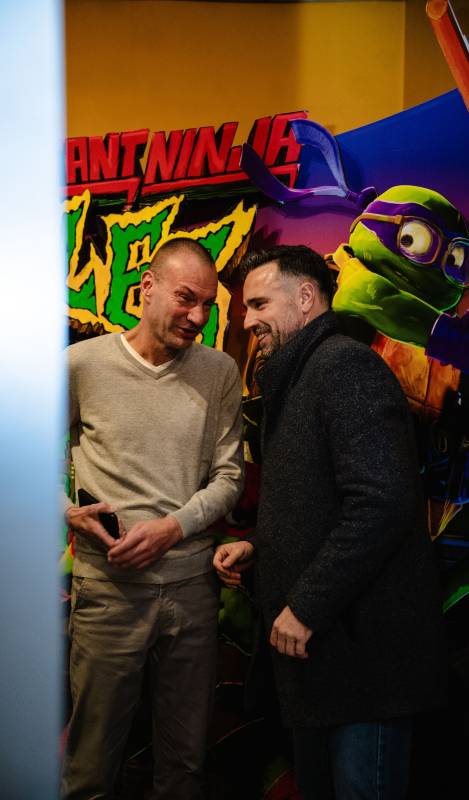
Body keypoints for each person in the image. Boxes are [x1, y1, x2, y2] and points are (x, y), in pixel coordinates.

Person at [214, 245, 446, 800]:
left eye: (259, 304)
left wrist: (307, 605)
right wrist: (261, 545)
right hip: (324, 666)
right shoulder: (302, 375)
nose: (247, 322)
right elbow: (322, 503)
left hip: (364, 666)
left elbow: (382, 502)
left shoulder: (343, 366)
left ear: (305, 297)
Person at [61, 238, 244, 800]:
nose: (198, 316)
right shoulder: (81, 366)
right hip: (108, 592)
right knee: (91, 767)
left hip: (192, 592)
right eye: (186, 298)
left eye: (208, 305)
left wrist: (172, 528)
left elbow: (229, 478)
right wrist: (68, 512)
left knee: (184, 767)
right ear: (147, 287)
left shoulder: (220, 371)